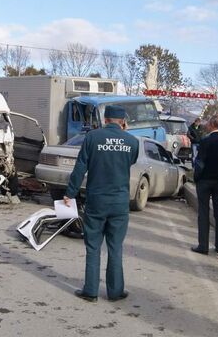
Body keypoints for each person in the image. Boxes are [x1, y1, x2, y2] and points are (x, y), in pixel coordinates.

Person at [64, 105, 139, 302]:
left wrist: (69, 193)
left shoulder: (92, 137)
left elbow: (80, 167)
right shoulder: (132, 141)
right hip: (120, 202)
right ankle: (115, 291)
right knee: (115, 247)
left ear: (105, 119)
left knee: (93, 246)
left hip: (96, 200)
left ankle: (91, 291)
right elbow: (130, 162)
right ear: (123, 122)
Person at [191, 115, 218, 256]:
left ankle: (203, 245)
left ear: (211, 124)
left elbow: (200, 162)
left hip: (204, 180)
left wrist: (197, 177)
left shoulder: (206, 141)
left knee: (203, 213)